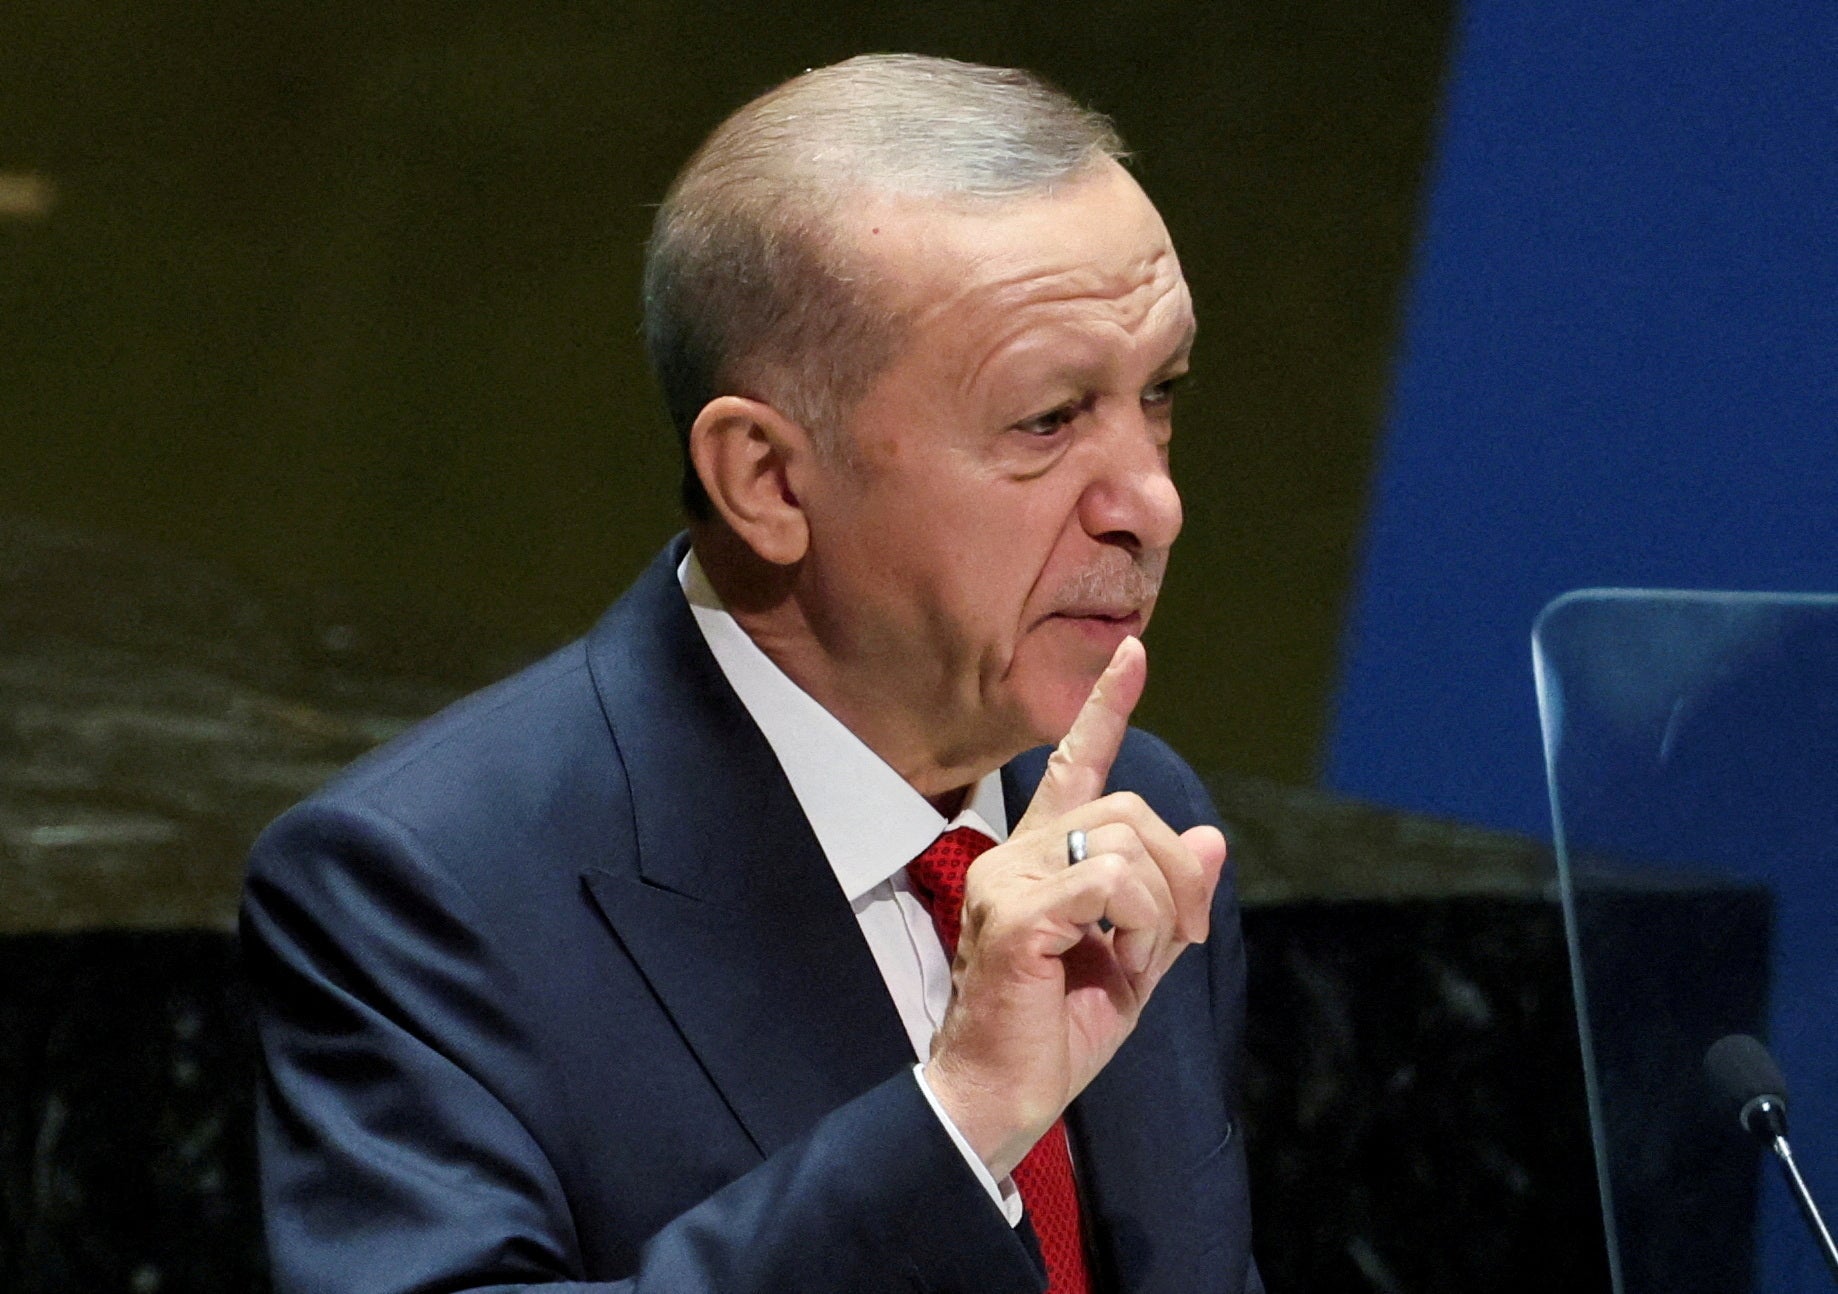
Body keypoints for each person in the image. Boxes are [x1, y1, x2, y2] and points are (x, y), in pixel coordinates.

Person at [243, 53, 1262, 1293]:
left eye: (1158, 395)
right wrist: (959, 1115)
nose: (1151, 501)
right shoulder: (421, 886)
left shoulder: (1140, 816)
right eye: (1046, 420)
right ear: (768, 481)